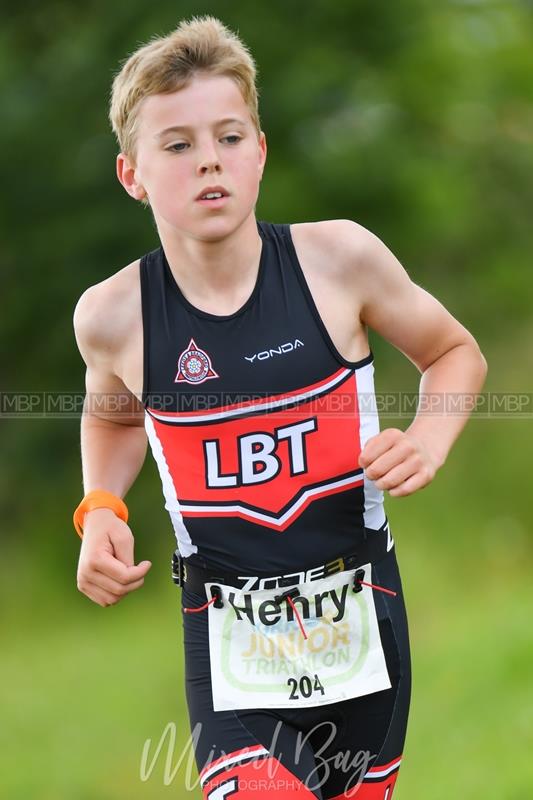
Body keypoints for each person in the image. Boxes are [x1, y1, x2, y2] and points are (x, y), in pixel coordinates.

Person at [72, 14, 487, 800]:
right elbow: (115, 417)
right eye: (179, 145)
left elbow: (453, 351)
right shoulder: (113, 315)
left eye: (229, 137)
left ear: (260, 151)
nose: (210, 164)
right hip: (228, 640)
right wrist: (100, 506)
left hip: (362, 616)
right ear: (132, 174)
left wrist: (429, 440)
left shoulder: (338, 261)